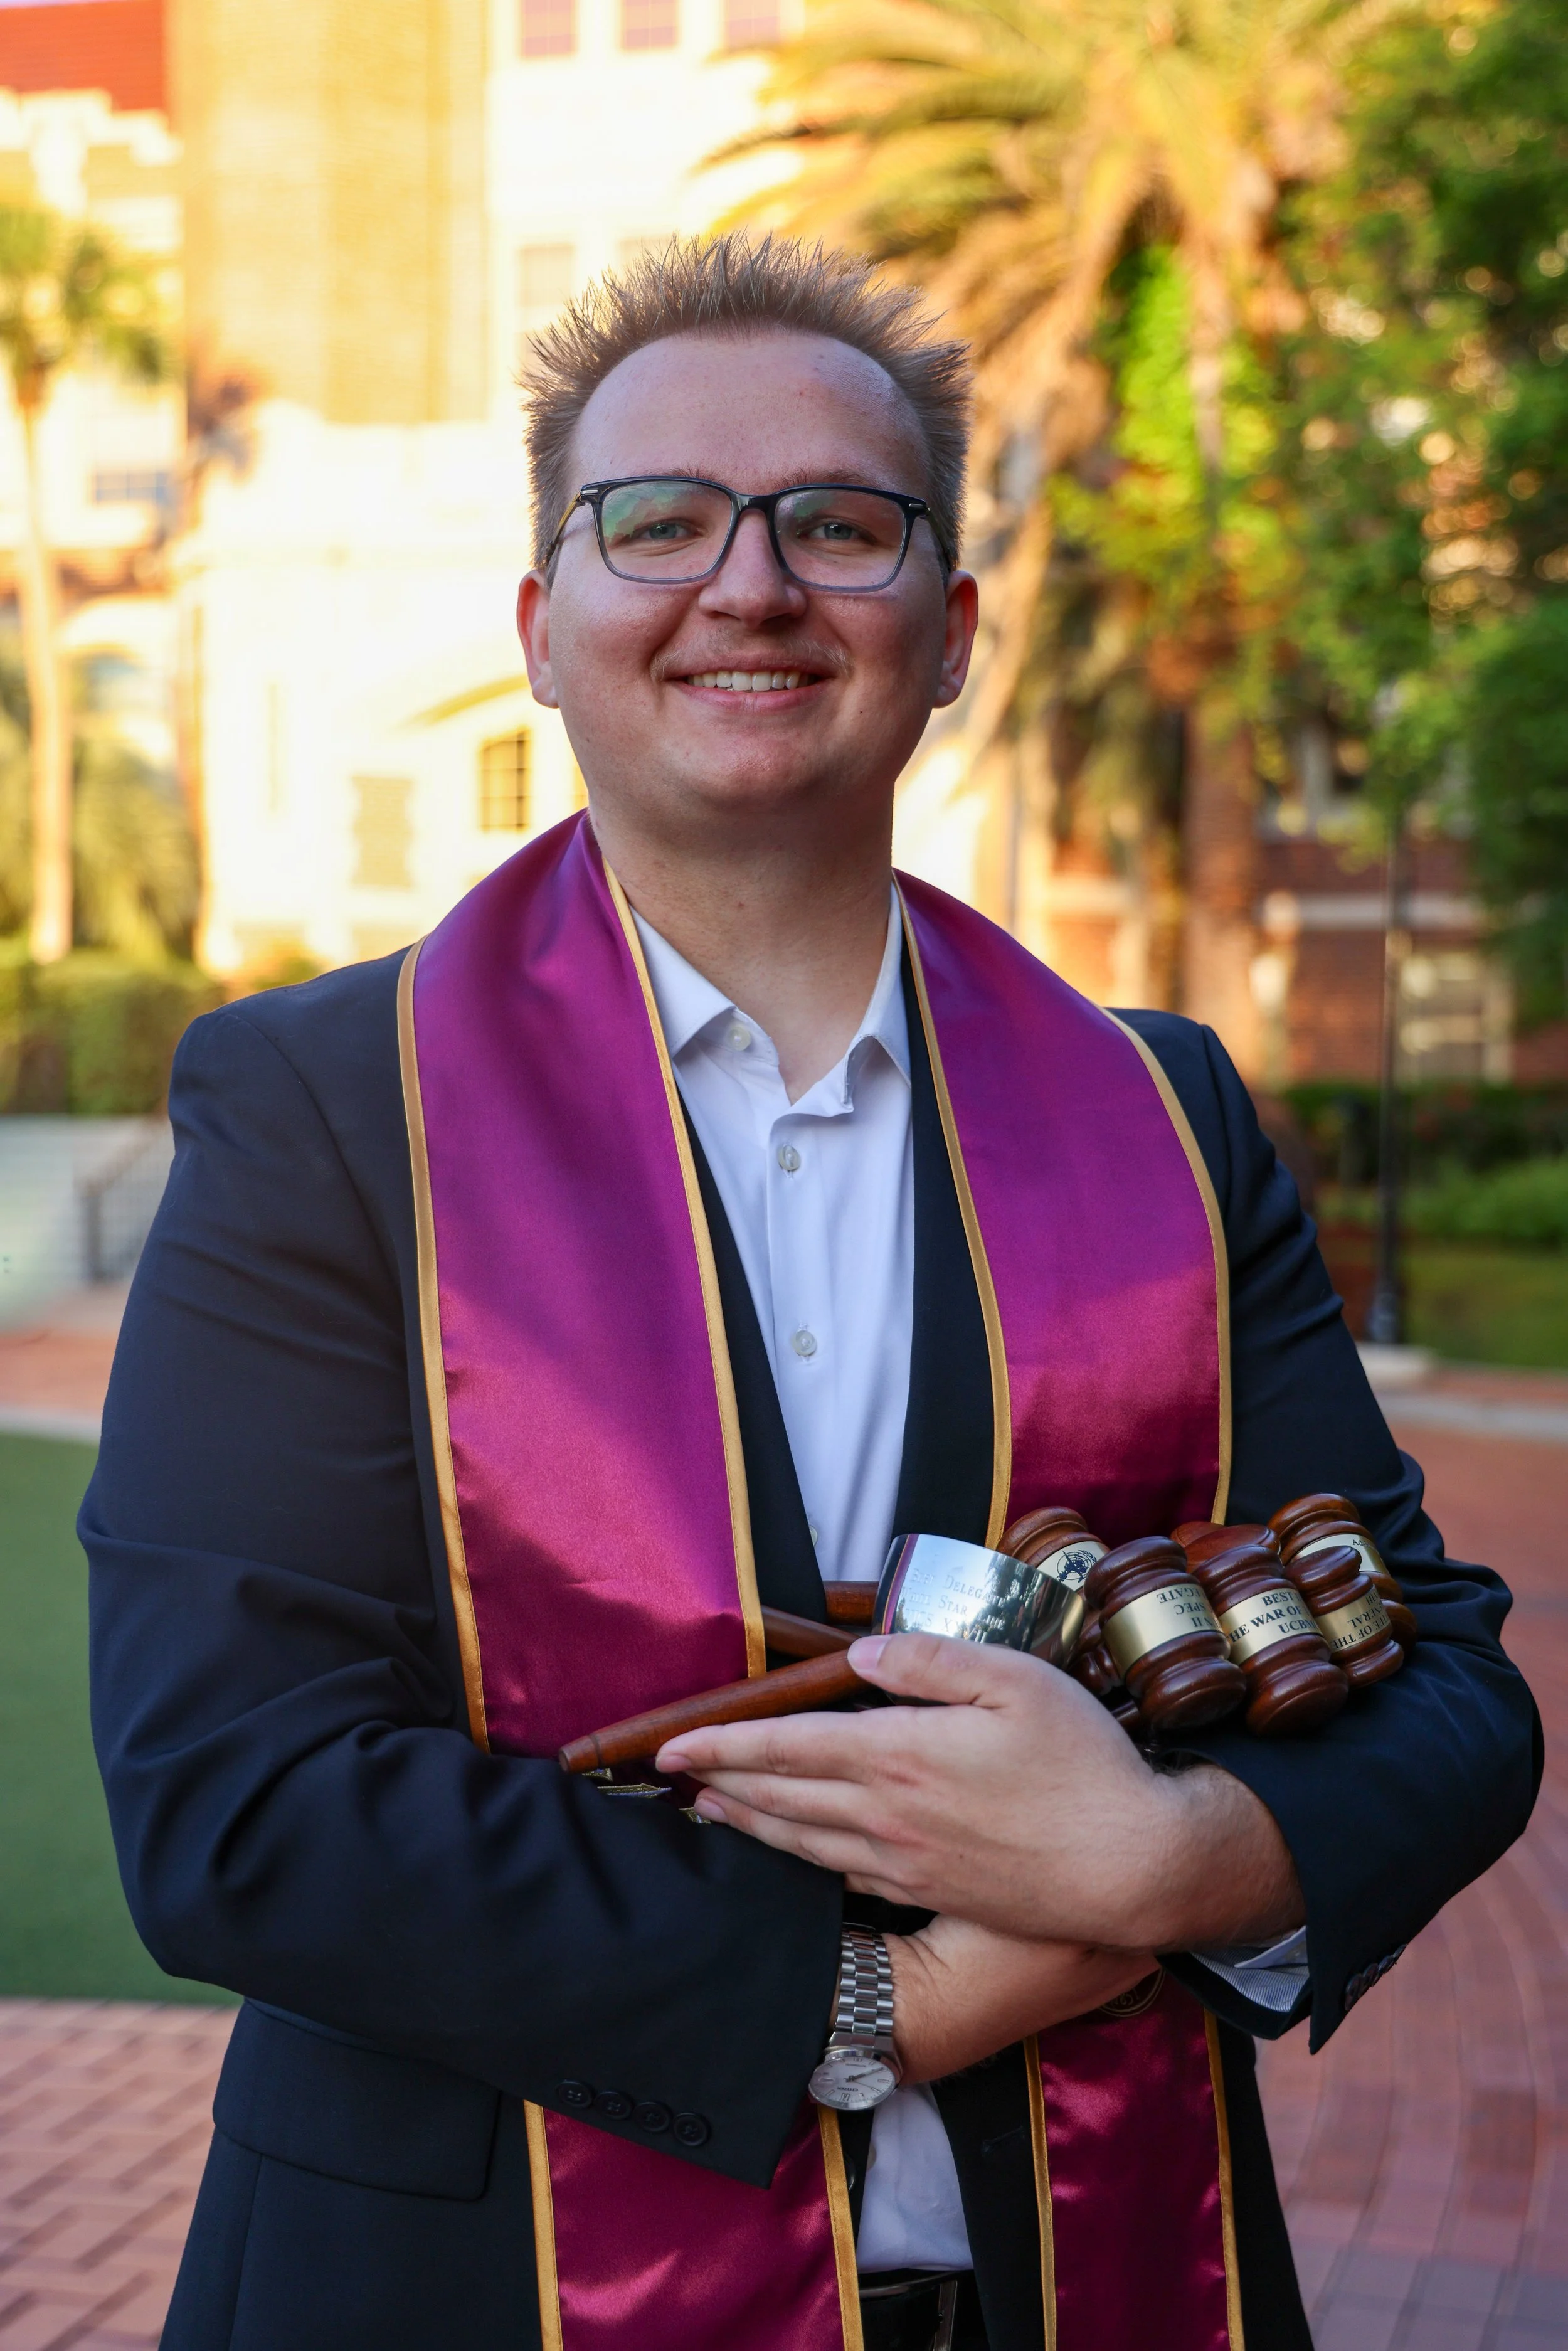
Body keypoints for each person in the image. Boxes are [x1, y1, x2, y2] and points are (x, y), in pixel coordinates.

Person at [84, 236, 1539, 2351]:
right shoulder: (323, 1107)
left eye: (835, 526)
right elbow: (236, 1786)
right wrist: (876, 1996)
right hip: (476, 2278)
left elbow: (1441, 1678)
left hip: (1088, 2273)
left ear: (945, 636)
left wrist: (1164, 1866)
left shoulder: (1159, 1114)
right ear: (541, 626)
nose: (745, 584)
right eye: (654, 520)